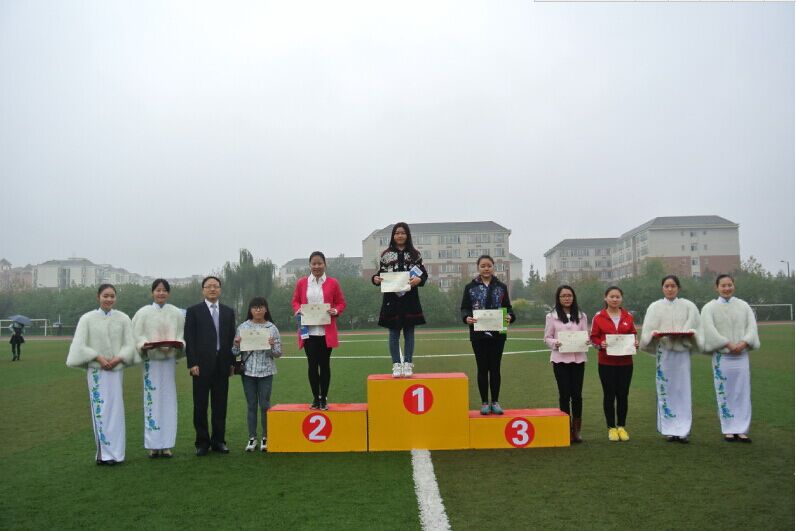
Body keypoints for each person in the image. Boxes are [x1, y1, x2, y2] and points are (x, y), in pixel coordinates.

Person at [66, 284, 138, 465]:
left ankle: (117, 453)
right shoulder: (87, 319)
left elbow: (130, 344)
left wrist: (118, 358)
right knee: (100, 409)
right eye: (106, 295)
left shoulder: (123, 318)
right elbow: (79, 345)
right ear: (98, 297)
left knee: (116, 410)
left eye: (112, 296)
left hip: (116, 370)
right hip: (97, 371)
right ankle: (104, 454)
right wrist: (98, 357)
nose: (109, 299)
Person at [639, 275, 701, 443]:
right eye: (666, 286)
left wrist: (690, 333)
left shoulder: (689, 306)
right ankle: (669, 429)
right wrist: (653, 335)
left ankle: (683, 430)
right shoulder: (655, 307)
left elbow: (697, 328)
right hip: (664, 352)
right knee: (665, 388)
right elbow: (647, 331)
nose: (670, 289)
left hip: (682, 353)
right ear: (662, 288)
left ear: (678, 288)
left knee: (683, 390)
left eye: (673, 286)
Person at [701, 274, 760, 443]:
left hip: (741, 356)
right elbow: (709, 330)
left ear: (734, 285)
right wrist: (727, 344)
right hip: (722, 357)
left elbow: (752, 327)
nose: (727, 288)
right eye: (723, 285)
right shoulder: (709, 308)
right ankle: (728, 429)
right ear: (716, 287)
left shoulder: (743, 306)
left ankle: (741, 429)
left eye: (729, 285)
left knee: (742, 392)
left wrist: (744, 342)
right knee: (724, 392)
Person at [132, 279, 185, 458]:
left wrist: (178, 345)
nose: (161, 293)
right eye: (158, 290)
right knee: (152, 402)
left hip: (168, 362)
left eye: (164, 290)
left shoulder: (176, 313)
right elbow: (136, 336)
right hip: (151, 362)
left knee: (168, 402)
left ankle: (167, 444)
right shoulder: (143, 313)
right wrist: (144, 345)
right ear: (152, 292)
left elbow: (181, 335)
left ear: (168, 293)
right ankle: (153, 445)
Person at [184, 276, 236, 456]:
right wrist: (192, 363)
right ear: (203, 290)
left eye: (216, 286)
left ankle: (218, 441)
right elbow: (189, 338)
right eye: (209, 286)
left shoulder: (228, 312)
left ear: (220, 289)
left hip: (222, 364)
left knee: (220, 405)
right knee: (200, 405)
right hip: (201, 365)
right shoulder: (194, 311)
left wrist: (232, 363)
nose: (212, 289)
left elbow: (231, 338)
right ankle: (202, 442)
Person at [371, 222, 428, 377]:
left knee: (409, 332)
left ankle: (408, 363)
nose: (400, 235)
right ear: (393, 236)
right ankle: (396, 364)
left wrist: (419, 279)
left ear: (407, 235)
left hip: (410, 298)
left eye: (403, 233)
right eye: (397, 233)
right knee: (393, 333)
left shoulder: (415, 254)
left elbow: (423, 274)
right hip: (392, 299)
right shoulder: (386, 254)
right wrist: (375, 279)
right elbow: (381, 273)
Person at [460, 255, 515, 415]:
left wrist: (510, 316)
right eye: (483, 266)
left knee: (495, 368)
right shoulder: (470, 287)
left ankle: (495, 402)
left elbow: (508, 307)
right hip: (478, 334)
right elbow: (464, 308)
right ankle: (484, 402)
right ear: (478, 267)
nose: (486, 268)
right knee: (482, 368)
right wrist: (466, 317)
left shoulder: (501, 287)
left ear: (493, 267)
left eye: (489, 265)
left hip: (498, 334)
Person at [291, 251, 346, 410]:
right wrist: (298, 310)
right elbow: (295, 301)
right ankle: (316, 398)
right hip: (307, 331)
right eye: (313, 263)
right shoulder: (302, 283)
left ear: (325, 264)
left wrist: (335, 310)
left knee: (325, 365)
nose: (316, 266)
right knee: (312, 365)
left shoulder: (333, 283)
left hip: (325, 332)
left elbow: (341, 303)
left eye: (319, 263)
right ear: (309, 265)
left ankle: (324, 398)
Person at [232, 297, 282, 453]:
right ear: (250, 310)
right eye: (255, 307)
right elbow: (234, 352)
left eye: (261, 307)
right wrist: (236, 344)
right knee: (251, 405)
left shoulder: (272, 328)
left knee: (265, 405)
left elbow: (278, 353)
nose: (258, 310)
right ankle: (252, 437)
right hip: (248, 372)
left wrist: (272, 346)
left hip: (266, 372)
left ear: (266, 309)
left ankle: (266, 437)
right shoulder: (243, 327)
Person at [590, 286, 638, 442]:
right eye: (612, 296)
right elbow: (593, 337)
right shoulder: (599, 317)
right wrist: (600, 344)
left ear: (621, 299)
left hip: (625, 363)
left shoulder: (628, 316)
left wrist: (635, 343)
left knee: (623, 395)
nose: (615, 299)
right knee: (609, 395)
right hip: (606, 363)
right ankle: (611, 428)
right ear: (605, 298)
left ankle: (621, 427)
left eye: (618, 296)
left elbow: (633, 334)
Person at [544, 285, 589, 443]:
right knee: (564, 395)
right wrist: (555, 343)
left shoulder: (582, 316)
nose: (567, 298)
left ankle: (577, 430)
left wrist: (586, 341)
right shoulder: (551, 316)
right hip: (560, 359)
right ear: (558, 298)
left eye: (569, 295)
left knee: (577, 395)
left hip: (578, 359)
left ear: (573, 297)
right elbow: (547, 337)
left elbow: (585, 335)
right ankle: (566, 428)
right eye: (563, 296)